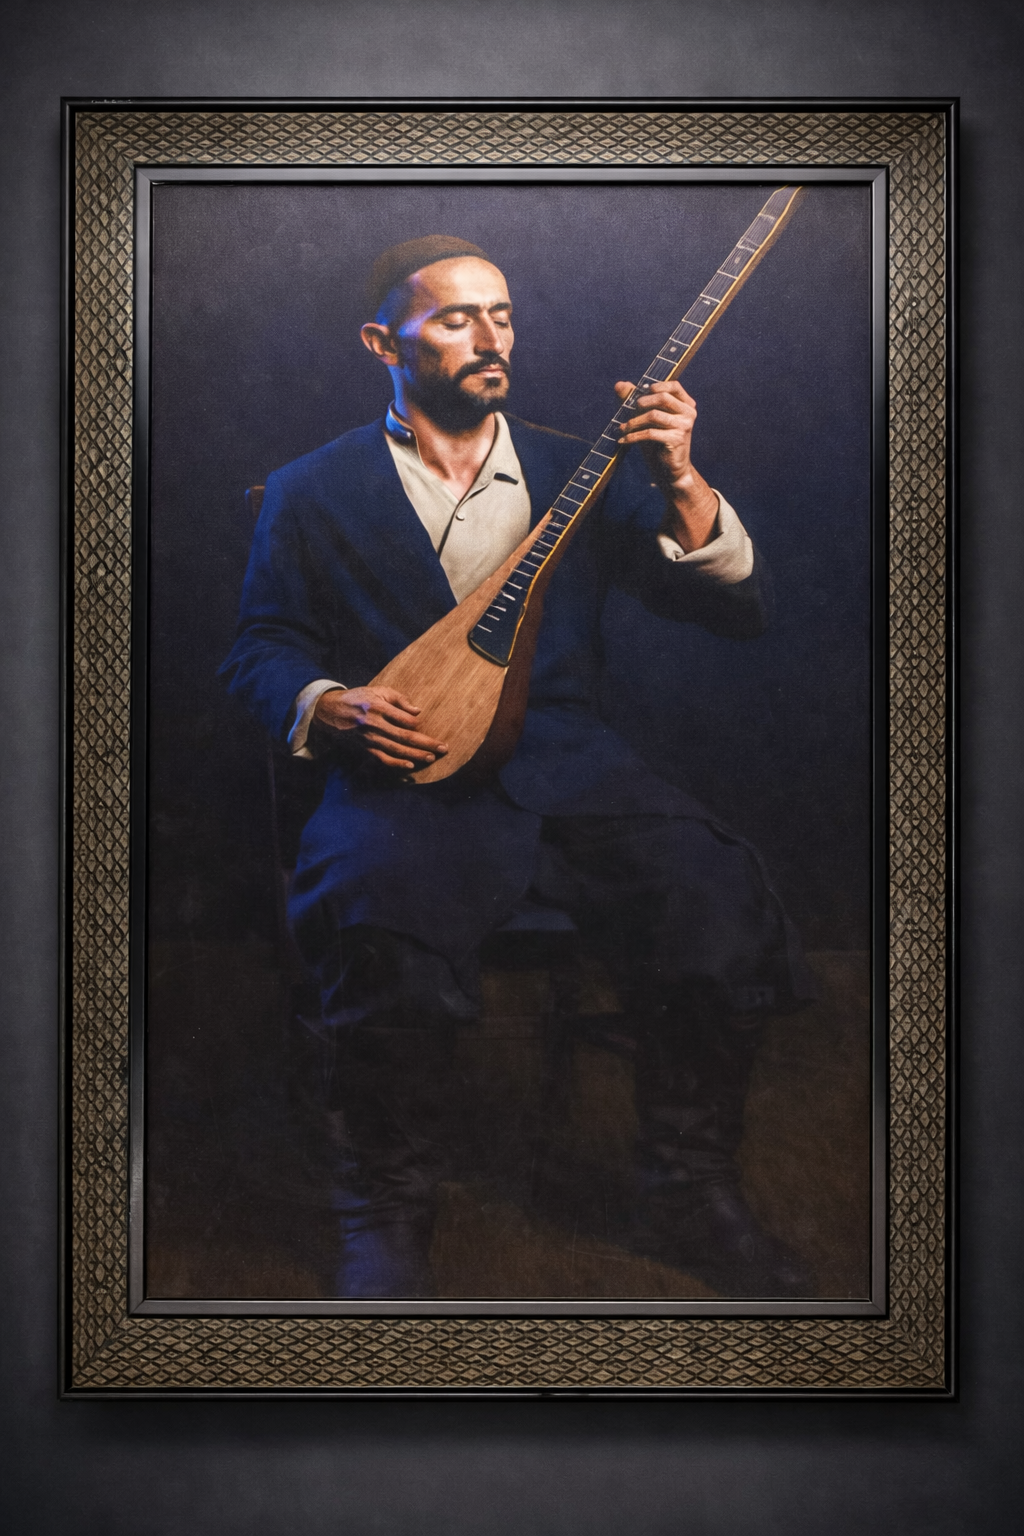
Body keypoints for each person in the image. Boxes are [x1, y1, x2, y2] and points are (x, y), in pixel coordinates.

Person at [221, 235, 817, 1301]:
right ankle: (387, 1211)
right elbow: (260, 646)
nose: (487, 335)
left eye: (499, 313)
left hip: (570, 765)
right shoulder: (313, 490)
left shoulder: (576, 470)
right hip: (404, 773)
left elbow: (734, 611)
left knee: (714, 894)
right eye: (453, 317)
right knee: (373, 915)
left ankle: (686, 1188)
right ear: (381, 342)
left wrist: (679, 476)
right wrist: (329, 704)